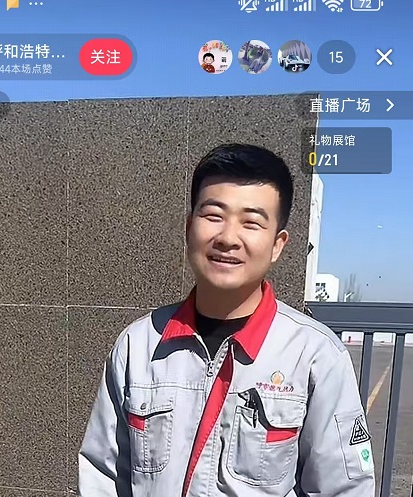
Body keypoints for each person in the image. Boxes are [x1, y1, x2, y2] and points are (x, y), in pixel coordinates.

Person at [77, 143, 375, 497]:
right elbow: (102, 475)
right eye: (214, 215)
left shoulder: (315, 355)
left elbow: (344, 488)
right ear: (189, 227)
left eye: (251, 222)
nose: (228, 238)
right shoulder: (138, 345)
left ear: (277, 245)